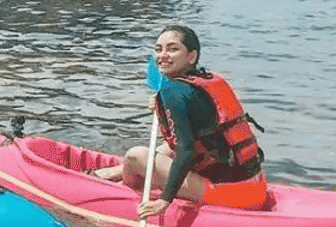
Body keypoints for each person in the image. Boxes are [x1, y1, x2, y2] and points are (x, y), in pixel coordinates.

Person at [99, 24, 266, 216]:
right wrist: (163, 106)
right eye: (158, 49)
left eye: (173, 49)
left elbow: (187, 151)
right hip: (255, 184)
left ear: (191, 56)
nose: (162, 55)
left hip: (230, 195)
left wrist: (164, 200)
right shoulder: (210, 80)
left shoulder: (173, 91)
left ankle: (125, 194)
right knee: (165, 148)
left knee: (135, 156)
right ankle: (113, 172)